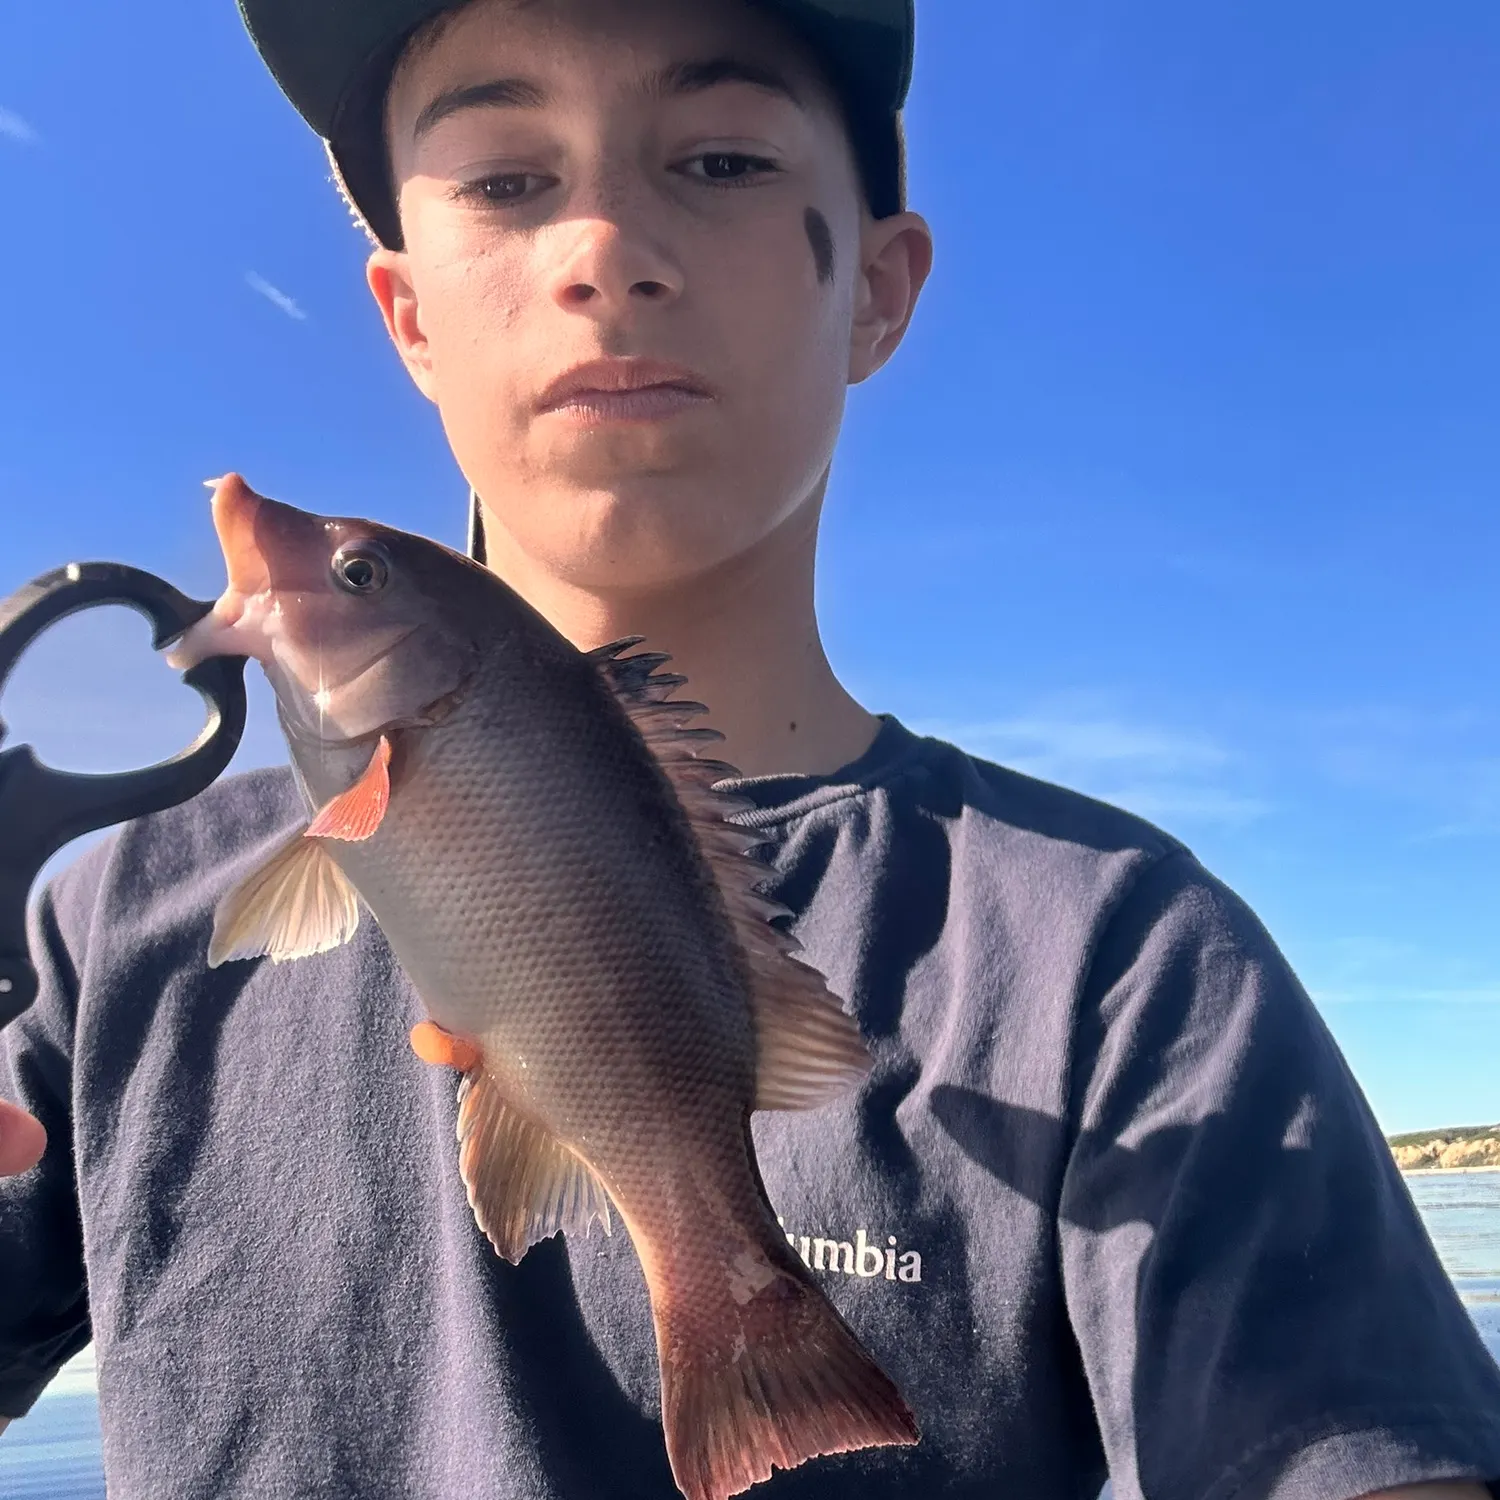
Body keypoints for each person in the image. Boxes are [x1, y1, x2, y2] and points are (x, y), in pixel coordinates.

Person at [2, 1, 1498, 1496]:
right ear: (407, 315)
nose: (603, 248)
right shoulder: (100, 931)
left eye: (717, 160)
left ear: (878, 289)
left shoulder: (1123, 961)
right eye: (508, 181)